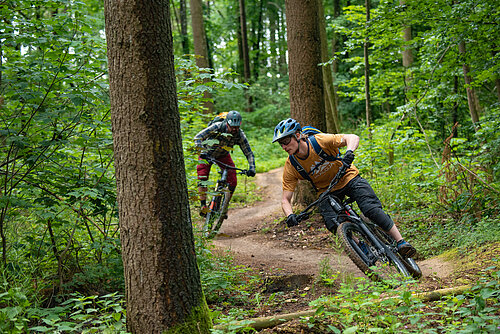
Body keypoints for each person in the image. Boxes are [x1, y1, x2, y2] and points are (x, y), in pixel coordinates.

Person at [272, 118, 416, 258]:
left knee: (371, 209)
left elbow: (352, 137)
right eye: (281, 144)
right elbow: (285, 199)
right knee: (332, 223)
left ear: (297, 135)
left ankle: (401, 241)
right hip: (327, 191)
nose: (284, 147)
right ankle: (360, 247)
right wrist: (290, 215)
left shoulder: (319, 142)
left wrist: (349, 152)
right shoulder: (291, 165)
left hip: (348, 177)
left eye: (285, 141)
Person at [194, 110, 256, 217]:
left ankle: (224, 207)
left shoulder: (240, 135)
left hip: (222, 155)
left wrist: (252, 168)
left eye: (237, 127)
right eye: (232, 127)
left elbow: (249, 153)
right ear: (227, 123)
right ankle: (203, 205)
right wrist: (202, 151)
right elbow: (198, 137)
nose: (234, 130)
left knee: (233, 180)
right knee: (203, 175)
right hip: (207, 153)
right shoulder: (217, 127)